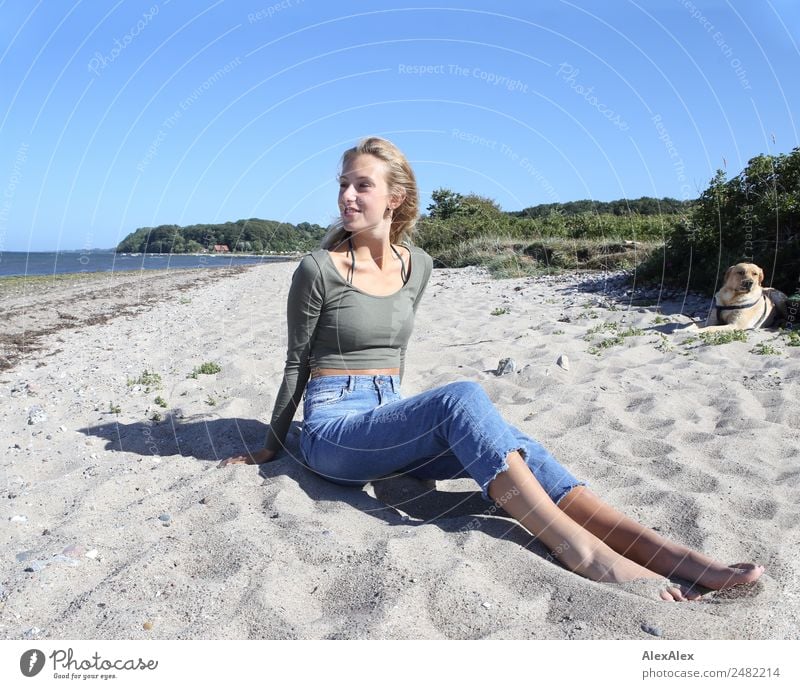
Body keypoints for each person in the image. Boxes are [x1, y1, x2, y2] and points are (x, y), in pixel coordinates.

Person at [221, 136, 764, 601]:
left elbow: (397, 357)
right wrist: (272, 446)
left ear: (396, 198)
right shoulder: (319, 268)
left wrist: (403, 425)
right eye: (343, 183)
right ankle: (585, 554)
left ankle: (674, 555)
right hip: (333, 432)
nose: (346, 196)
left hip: (387, 423)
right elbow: (296, 362)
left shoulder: (420, 266)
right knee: (461, 398)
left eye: (362, 185)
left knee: (513, 440)